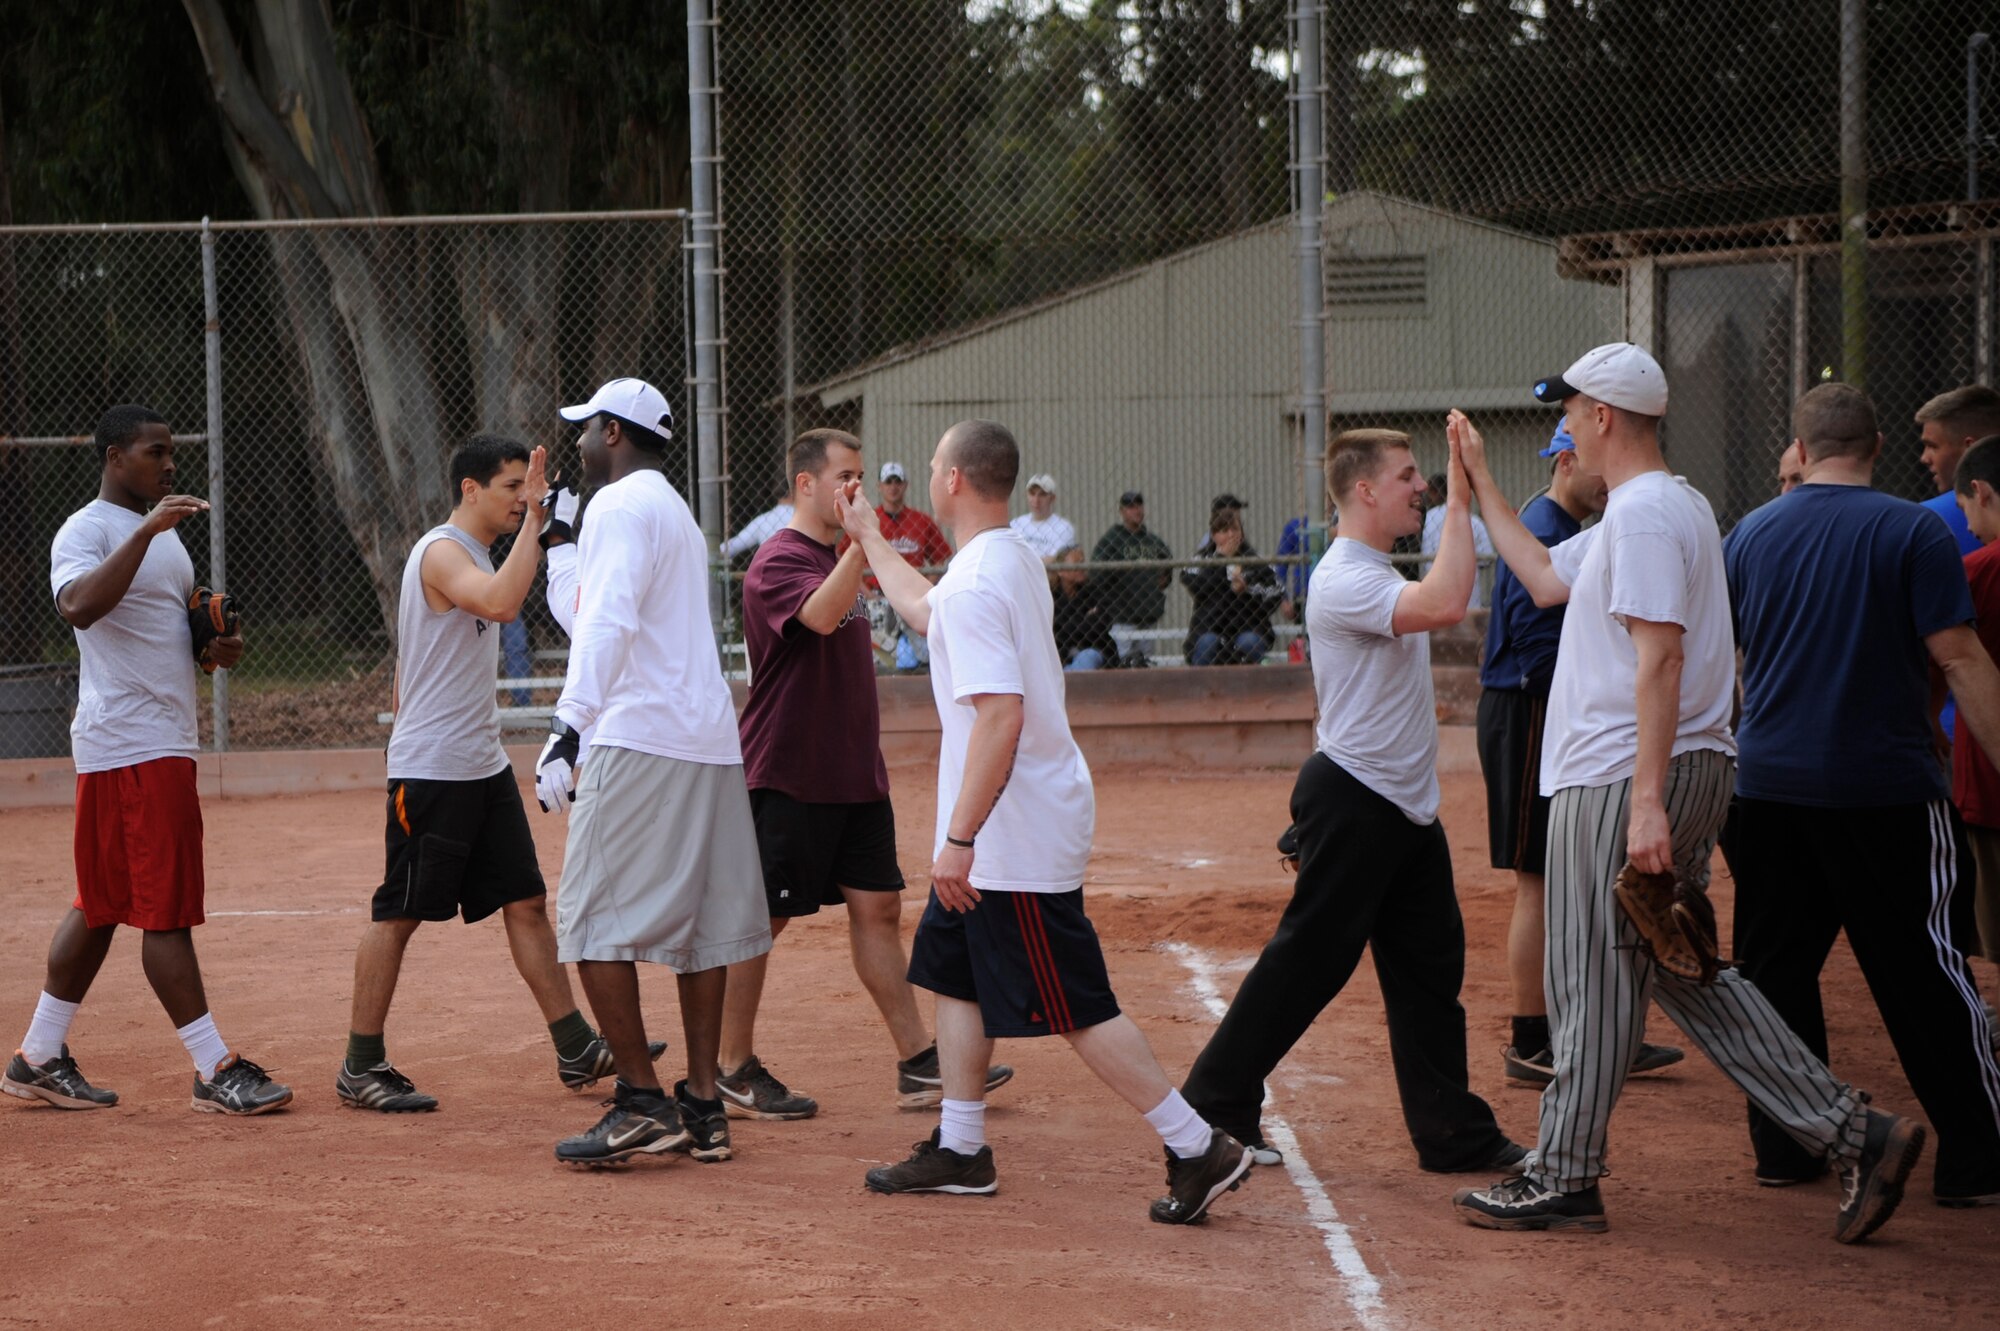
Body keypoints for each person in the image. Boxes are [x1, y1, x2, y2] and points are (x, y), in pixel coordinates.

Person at [1450, 344, 1926, 1245]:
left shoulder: (1644, 517)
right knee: (1682, 971)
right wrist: (1476, 480)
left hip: (1627, 771)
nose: (1566, 429)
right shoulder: (1664, 506)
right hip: (1665, 766)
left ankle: (1562, 1175)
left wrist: (1645, 799)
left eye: (1572, 410)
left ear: (1604, 419)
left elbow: (1660, 655)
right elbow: (1547, 578)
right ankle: (1851, 1128)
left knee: (1588, 977)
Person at [842, 419, 1250, 1224]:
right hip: (1010, 821)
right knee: (956, 973)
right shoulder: (1007, 558)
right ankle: (961, 1146)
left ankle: (1197, 1142)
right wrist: (868, 535)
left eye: (932, 467)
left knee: (1070, 1002)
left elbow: (1001, 716)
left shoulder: (977, 582)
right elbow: (926, 610)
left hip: (1011, 833)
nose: (927, 476)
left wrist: (959, 840)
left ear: (954, 480)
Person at [1179, 425, 1525, 1178]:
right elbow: (1448, 600)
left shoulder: (1373, 567)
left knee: (1430, 969)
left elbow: (1436, 594)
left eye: (1422, 478)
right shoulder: (1344, 576)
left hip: (1402, 805)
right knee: (1308, 961)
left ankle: (1451, 1132)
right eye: (1407, 477)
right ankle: (1214, 1101)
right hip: (1356, 798)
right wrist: (1464, 492)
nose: (1420, 487)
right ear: (1364, 491)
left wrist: (1455, 496)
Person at [1720, 385, 2000, 1206]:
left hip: (1767, 787)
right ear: (1876, 447)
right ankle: (1975, 1164)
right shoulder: (1910, 528)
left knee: (1773, 972)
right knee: (1925, 970)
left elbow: (1735, 667)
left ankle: (1787, 1145)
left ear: (1800, 451)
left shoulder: (1751, 534)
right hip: (1884, 787)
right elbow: (1958, 659)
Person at [337, 434, 653, 1114]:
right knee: (400, 913)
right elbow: (504, 604)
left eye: (525, 486)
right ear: (470, 490)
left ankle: (576, 1047)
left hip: (479, 766)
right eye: (511, 486)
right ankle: (360, 1064)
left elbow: (416, 664)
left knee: (526, 901)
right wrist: (541, 520)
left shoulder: (479, 552)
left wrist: (537, 524)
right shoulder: (444, 552)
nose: (522, 496)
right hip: (434, 772)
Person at [3, 404, 292, 1116]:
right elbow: (77, 605)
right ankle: (213, 1066)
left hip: (154, 740)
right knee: (163, 912)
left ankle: (37, 1055)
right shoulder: (90, 528)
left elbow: (172, 630)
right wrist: (146, 530)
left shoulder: (167, 544)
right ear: (113, 457)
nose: (168, 462)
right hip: (134, 745)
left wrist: (213, 648)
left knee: (100, 907)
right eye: (153, 451)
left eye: (169, 451)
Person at [719, 428, 1013, 1120]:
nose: (855, 488)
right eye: (844, 476)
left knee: (879, 909)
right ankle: (729, 1063)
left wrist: (856, 546)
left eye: (858, 476)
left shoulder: (838, 555)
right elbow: (819, 616)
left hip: (854, 773)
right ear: (805, 485)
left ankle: (918, 1060)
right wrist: (861, 542)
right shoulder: (778, 561)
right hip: (789, 771)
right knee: (766, 917)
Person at [532, 377, 773, 1166]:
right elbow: (594, 607)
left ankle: (640, 1100)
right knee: (699, 933)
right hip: (704, 737)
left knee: (590, 919)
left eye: (585, 429)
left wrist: (569, 725)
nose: (577, 442)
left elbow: (606, 621)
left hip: (639, 736)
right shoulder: (668, 507)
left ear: (612, 431)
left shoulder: (620, 505)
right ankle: (702, 1103)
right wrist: (558, 542)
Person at [1478, 425, 1683, 1088]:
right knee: (1537, 876)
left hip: (1547, 712)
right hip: (1531, 712)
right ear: (1568, 461)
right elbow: (1539, 653)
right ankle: (1531, 1038)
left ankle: (1600, 1031)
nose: (1608, 482)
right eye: (1597, 470)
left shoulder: (1581, 523)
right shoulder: (1547, 527)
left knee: (1570, 876)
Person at [1955, 435, 2000, 984]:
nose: (1966, 523)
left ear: (1981, 492)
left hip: (1988, 781)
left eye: (1966, 507)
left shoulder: (1980, 568)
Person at [865, 460, 953, 671]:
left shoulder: (921, 520)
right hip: (877, 597)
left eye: (898, 481)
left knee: (924, 660)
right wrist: (869, 595)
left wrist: (925, 588)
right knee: (881, 663)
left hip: (913, 596)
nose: (893, 487)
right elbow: (846, 559)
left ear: (905, 485)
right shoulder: (869, 521)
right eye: (888, 482)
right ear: (879, 486)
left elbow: (940, 560)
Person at [1180, 508, 1282, 665]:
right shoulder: (1201, 560)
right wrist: (1221, 560)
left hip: (1249, 626)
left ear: (1241, 533)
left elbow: (1276, 591)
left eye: (1234, 529)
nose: (1230, 535)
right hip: (1210, 626)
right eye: (1223, 530)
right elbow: (1198, 587)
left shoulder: (1255, 560)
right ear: (1213, 536)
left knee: (1249, 642)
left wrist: (1247, 589)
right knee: (1207, 642)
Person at [1091, 490, 1171, 665]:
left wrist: (1161, 579)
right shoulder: (1112, 539)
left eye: (1139, 506)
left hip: (1147, 616)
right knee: (1124, 662)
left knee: (1147, 663)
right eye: (1130, 507)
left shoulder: (1151, 540)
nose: (1136, 511)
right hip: (1122, 617)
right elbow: (1096, 573)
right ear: (1121, 511)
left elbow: (1167, 564)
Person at [1051, 546, 1119, 670]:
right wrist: (1086, 618)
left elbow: (1104, 622)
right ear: (1060, 571)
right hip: (1062, 653)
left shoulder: (1093, 590)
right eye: (1076, 564)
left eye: (1082, 562)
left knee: (1087, 657)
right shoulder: (1052, 596)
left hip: (1095, 647)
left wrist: (1069, 625)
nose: (1081, 568)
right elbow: (1056, 630)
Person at [1009, 472, 1076, 562]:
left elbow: (1055, 560)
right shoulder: (1016, 524)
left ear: (1052, 498)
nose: (1036, 500)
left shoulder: (1064, 527)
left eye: (1042, 495)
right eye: (1032, 494)